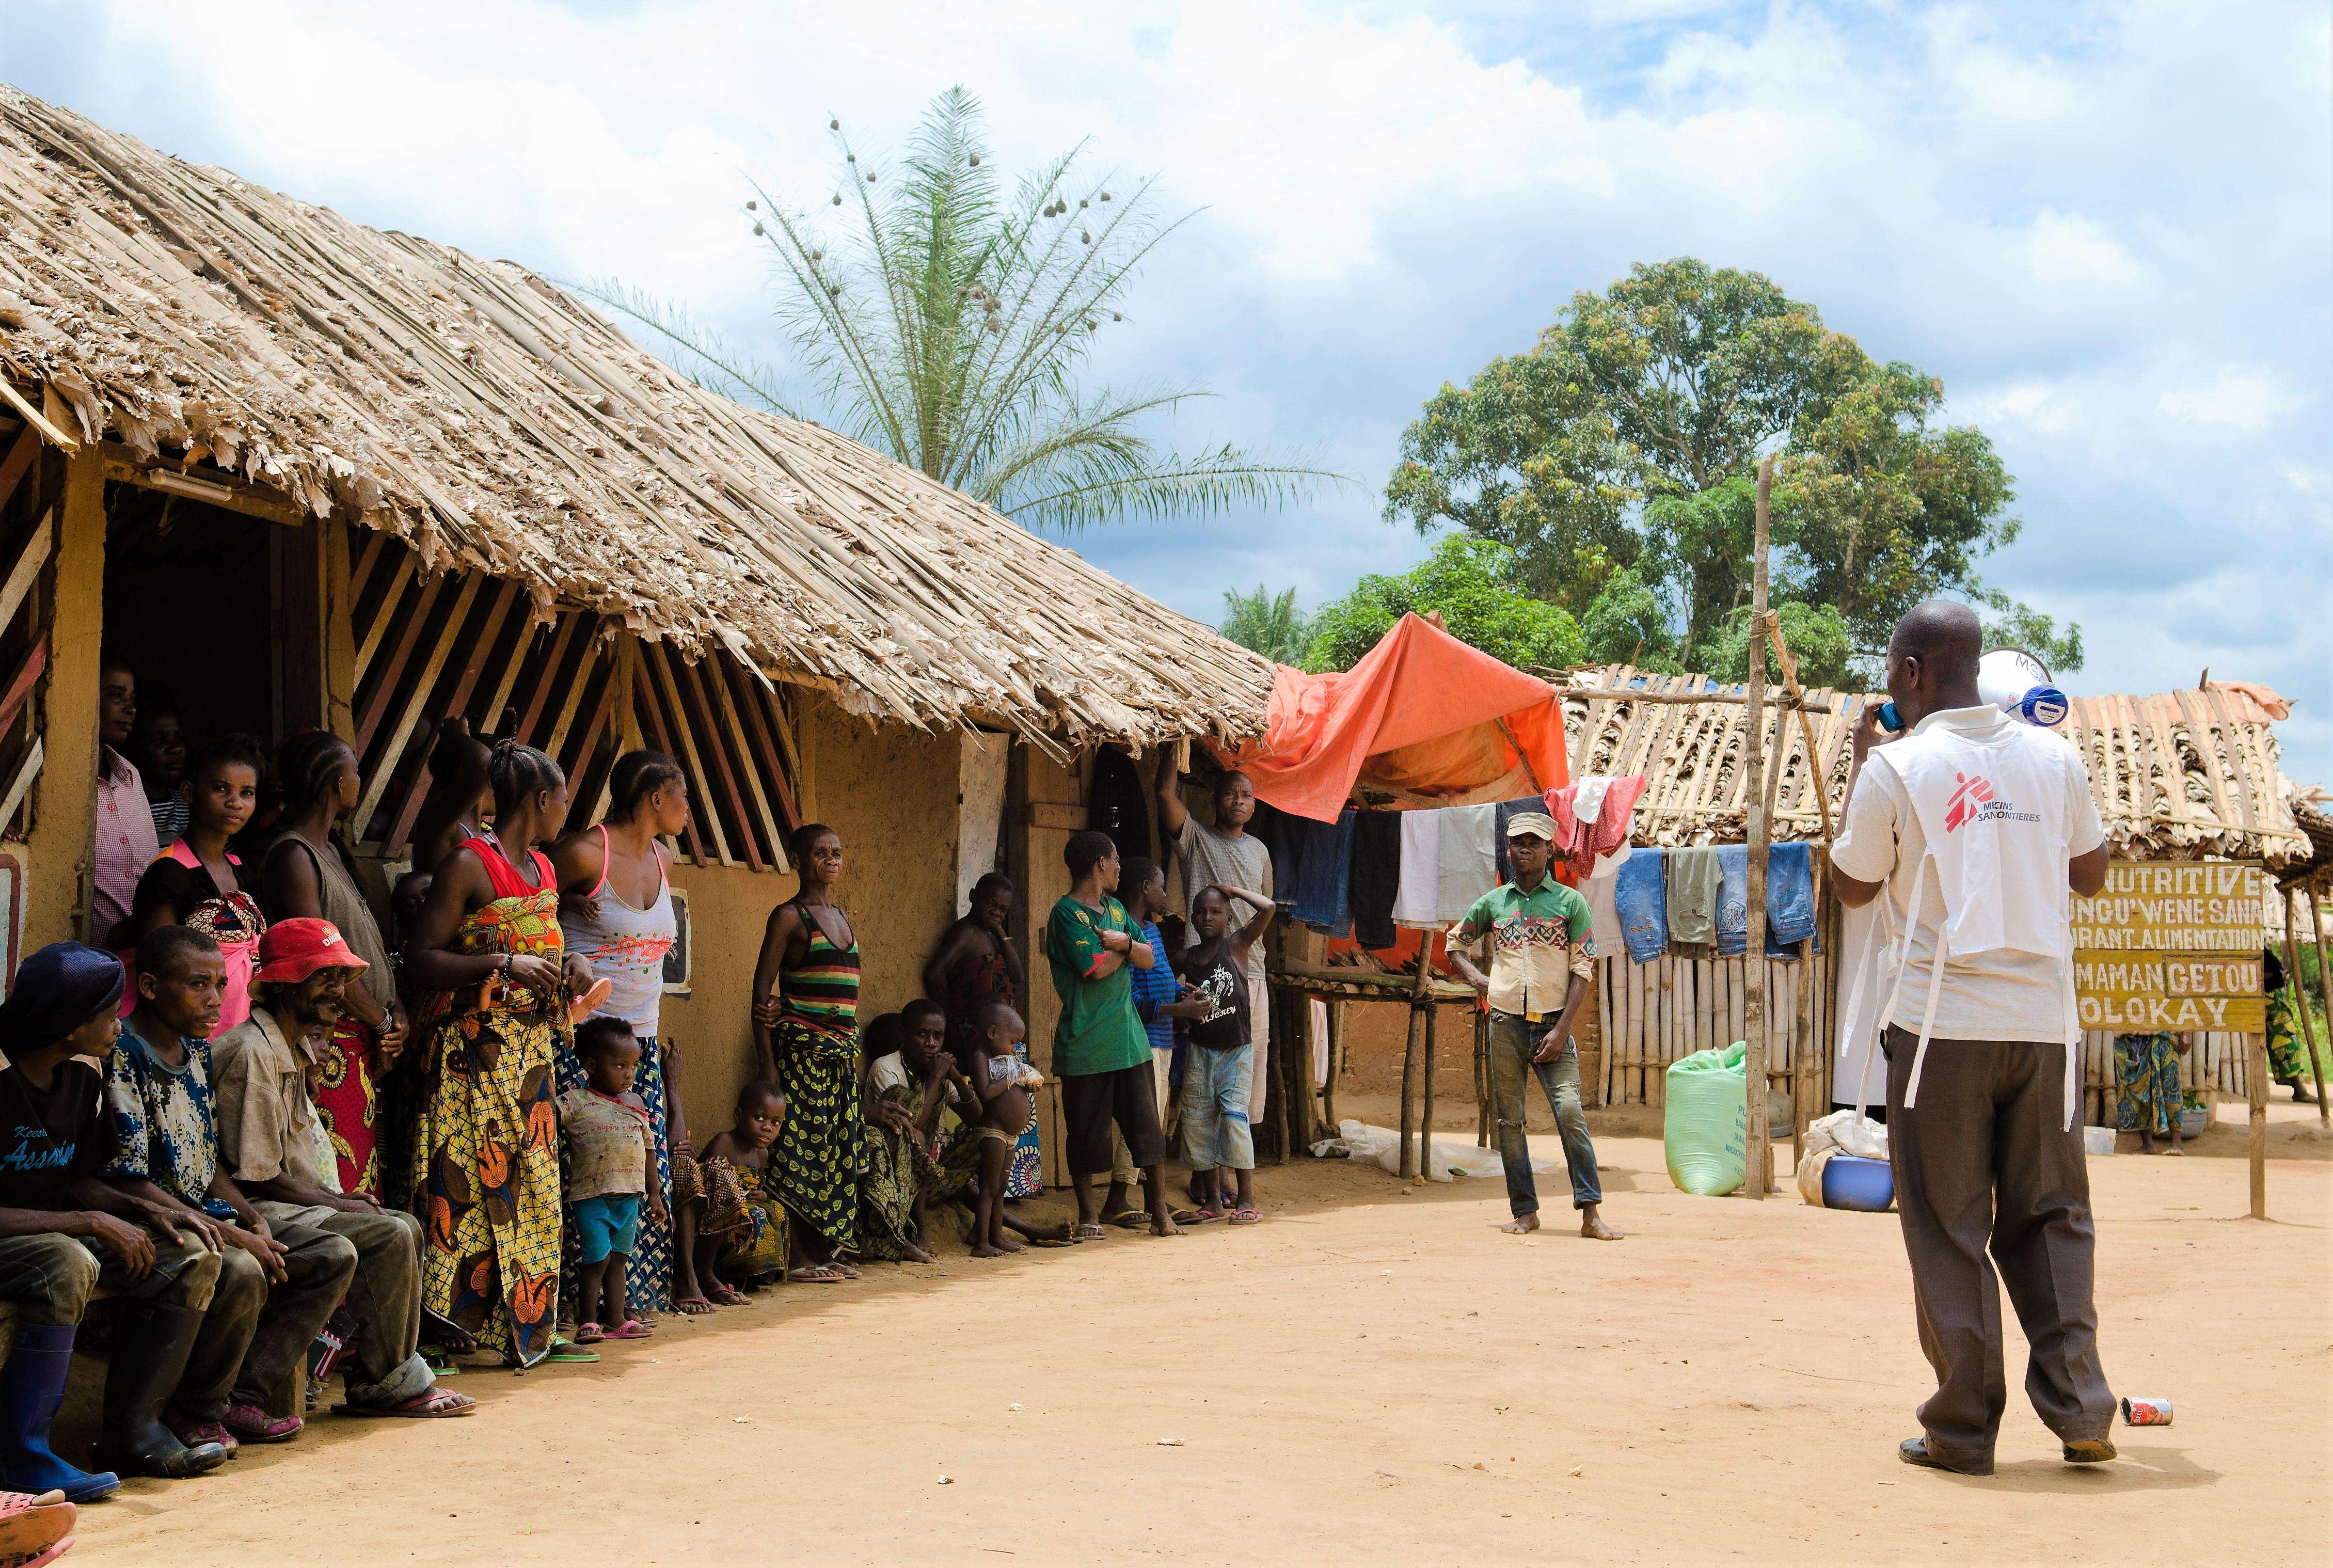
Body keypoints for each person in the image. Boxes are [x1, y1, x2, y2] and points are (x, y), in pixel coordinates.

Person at [1830, 599, 2117, 1477]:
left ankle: (1960, 1431)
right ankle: (2078, 1413)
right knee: (2051, 1218)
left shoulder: (1897, 767)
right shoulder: (2054, 756)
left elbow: (1850, 887)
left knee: (1946, 1226)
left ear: (1912, 672)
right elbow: (2091, 873)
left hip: (1939, 1030)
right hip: (2042, 1031)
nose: (1888, 687)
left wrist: (1861, 769)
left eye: (1889, 673)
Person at [102, 925, 355, 1452]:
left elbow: (208, 1156)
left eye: (220, 984)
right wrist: (230, 1232)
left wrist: (250, 1217)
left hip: (206, 1211)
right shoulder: (123, 1055)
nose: (216, 999)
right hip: (153, 1214)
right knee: (241, 1268)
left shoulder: (195, 1051)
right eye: (198, 984)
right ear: (149, 987)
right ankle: (196, 1411)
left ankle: (244, 1394)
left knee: (329, 1252)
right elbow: (130, 1178)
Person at [211, 918, 474, 1419]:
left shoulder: (287, 1044)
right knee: (391, 1233)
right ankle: (384, 1380)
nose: (339, 992)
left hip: (279, 1199)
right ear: (288, 983)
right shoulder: (253, 1051)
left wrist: (337, 1200)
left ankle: (384, 1373)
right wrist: (336, 1201)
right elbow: (253, 1174)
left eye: (340, 980)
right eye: (324, 979)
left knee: (398, 1226)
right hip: (251, 1208)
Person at [0, 941, 230, 1483]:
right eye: (107, 1017)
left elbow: (79, 1179)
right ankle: (23, 1451)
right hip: (30, 1241)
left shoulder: (80, 1078)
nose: (115, 1028)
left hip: (47, 1232)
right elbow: (76, 1215)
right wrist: (89, 1222)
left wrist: (140, 1211)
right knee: (66, 1260)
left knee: (189, 1255)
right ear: (68, 1024)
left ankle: (135, 1432)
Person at [400, 740, 591, 1368]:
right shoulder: (468, 865)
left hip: (530, 1056)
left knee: (534, 1185)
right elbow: (424, 958)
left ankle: (528, 1323)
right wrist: (502, 961)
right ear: (541, 800)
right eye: (563, 800)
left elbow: (546, 945)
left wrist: (572, 967)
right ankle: (444, 1332)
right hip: (469, 1053)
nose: (566, 811)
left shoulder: (544, 869)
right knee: (462, 1190)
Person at [552, 751, 689, 1317]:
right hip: (581, 1047)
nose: (687, 810)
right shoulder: (585, 853)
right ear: (656, 798)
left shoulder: (663, 859)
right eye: (681, 797)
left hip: (641, 1048)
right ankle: (563, 1304)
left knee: (636, 1178)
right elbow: (529, 903)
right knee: (580, 1176)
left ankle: (626, 1302)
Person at [1446, 813, 1621, 1244]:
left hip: (1551, 1024)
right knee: (1509, 1121)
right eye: (1517, 842)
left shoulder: (1569, 903)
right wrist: (1478, 979)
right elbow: (1455, 943)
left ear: (1549, 851)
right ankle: (1525, 1211)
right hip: (1504, 1020)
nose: (1524, 848)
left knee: (1569, 1113)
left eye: (1533, 842)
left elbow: (1583, 967)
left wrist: (1562, 1031)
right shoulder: (1493, 903)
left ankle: (1590, 1212)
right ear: (1508, 850)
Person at [262, 731, 412, 1198]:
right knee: (341, 1184)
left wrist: (395, 1016)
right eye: (355, 770)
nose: (360, 780)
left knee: (366, 1175)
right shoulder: (295, 855)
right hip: (330, 1045)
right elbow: (320, 964)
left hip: (362, 1044)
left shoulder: (332, 852)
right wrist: (383, 1020)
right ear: (335, 780)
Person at [1044, 831, 1177, 1241]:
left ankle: (1160, 1214)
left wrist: (1122, 943)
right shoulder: (1066, 914)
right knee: (1084, 1134)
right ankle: (1088, 1215)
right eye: (1116, 859)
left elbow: (1150, 957)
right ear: (1101, 863)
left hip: (1129, 1042)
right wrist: (1127, 948)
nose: (1120, 867)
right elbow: (1095, 968)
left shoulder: (1117, 908)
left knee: (1148, 1132)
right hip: (1086, 1044)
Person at [751, 824, 864, 1284]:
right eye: (820, 853)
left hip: (838, 1060)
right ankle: (796, 1258)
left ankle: (819, 1252)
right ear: (798, 861)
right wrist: (769, 1068)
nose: (831, 860)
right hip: (800, 1056)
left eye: (836, 851)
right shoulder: (789, 917)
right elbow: (761, 997)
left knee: (832, 1153)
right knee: (797, 1153)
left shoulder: (841, 916)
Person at [119, 734, 270, 1034]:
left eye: (247, 793)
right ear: (189, 792)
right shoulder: (169, 873)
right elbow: (160, 969)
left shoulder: (241, 870)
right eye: (220, 789)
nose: (235, 803)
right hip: (189, 1034)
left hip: (240, 1028)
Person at [1156, 753, 1274, 1134]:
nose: (1238, 800)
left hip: (1251, 971)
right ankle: (1206, 1171)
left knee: (1246, 1068)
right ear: (1213, 800)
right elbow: (1163, 794)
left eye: (1246, 795)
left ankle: (1228, 1163)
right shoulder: (1195, 838)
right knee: (1206, 1068)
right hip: (1207, 973)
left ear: (1254, 805)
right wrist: (1175, 749)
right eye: (1229, 793)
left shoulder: (1260, 851)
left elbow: (1266, 908)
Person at [923, 873, 1039, 1200]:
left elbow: (1017, 975)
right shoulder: (966, 934)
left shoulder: (995, 937)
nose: (996, 912)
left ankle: (1013, 1187)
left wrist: (1001, 932)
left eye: (1003, 909)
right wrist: (952, 1018)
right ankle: (989, 1190)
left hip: (1001, 1037)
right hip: (978, 1035)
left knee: (1017, 1096)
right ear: (974, 896)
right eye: (991, 904)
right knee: (994, 1106)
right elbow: (935, 972)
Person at [556, 1019, 666, 1342]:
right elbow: (544, 1117)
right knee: (597, 1259)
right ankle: (587, 1322)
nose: (629, 1074)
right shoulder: (574, 1102)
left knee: (619, 1259)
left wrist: (655, 1194)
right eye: (619, 1065)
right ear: (591, 1065)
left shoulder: (636, 1105)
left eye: (633, 1066)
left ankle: (616, 1319)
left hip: (629, 1197)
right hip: (593, 1197)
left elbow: (648, 1149)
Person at [1173, 884, 1277, 1224]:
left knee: (1234, 1119)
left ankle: (1246, 1200)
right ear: (1192, 917)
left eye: (1216, 911)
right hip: (1200, 1053)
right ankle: (1213, 1202)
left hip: (1236, 1051)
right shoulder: (1186, 958)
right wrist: (1181, 1008)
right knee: (1198, 1122)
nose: (1207, 916)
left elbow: (1268, 907)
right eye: (1201, 911)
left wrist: (1232, 890)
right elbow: (1161, 981)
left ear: (1228, 917)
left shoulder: (1237, 945)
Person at [858, 1004, 975, 1264]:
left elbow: (977, 1117)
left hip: (928, 1170)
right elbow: (910, 1123)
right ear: (903, 1034)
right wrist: (935, 1078)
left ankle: (992, 1228)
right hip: (887, 1165)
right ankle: (918, 1230)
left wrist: (954, 1076)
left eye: (938, 1036)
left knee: (987, 1136)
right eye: (922, 1034)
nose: (931, 1043)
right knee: (913, 1133)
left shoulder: (939, 1069)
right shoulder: (886, 1067)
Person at [1107, 858, 1186, 1225]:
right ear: (1144, 888)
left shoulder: (1150, 931)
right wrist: (1177, 1009)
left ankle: (1150, 1198)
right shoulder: (1128, 934)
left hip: (1164, 1038)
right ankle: (1118, 1197)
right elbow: (1134, 1001)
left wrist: (1183, 993)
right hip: (1146, 1039)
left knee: (1152, 1122)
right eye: (1161, 886)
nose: (1165, 893)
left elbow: (1163, 980)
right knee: (1145, 1123)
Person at [960, 1001, 1046, 1258]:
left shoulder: (1004, 1060)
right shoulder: (980, 1057)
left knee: (1001, 1187)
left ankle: (997, 1237)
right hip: (993, 1132)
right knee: (988, 1187)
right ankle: (981, 1242)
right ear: (992, 1033)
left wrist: (1026, 1084)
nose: (1015, 1048)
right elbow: (986, 1093)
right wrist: (1012, 1077)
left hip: (1010, 1135)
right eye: (1013, 1042)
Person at [691, 1082, 788, 1300]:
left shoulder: (762, 1154)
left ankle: (746, 1277)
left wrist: (762, 1196)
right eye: (760, 1118)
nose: (768, 1128)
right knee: (753, 1216)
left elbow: (758, 1187)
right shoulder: (725, 1143)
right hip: (713, 1218)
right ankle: (707, 1271)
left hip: (743, 1208)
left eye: (776, 1122)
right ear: (738, 1116)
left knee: (777, 1211)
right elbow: (708, 1184)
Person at [91, 654, 161, 944]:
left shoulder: (130, 775)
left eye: (132, 699)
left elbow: (149, 866)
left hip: (136, 956)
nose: (131, 709)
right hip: (86, 957)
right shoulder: (60, 775)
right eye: (116, 696)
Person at [409, 718, 493, 880]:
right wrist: (459, 737)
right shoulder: (441, 819)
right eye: (501, 772)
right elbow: (483, 763)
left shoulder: (482, 830)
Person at [126, 687, 190, 845]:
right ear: (134, 746)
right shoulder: (124, 809)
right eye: (159, 739)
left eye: (179, 736)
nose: (177, 748)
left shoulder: (189, 804)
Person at [2113, 1032, 2189, 1154]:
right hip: (2130, 1037)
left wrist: (2187, 1031)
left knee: (2170, 1087)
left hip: (2163, 1035)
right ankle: (2147, 1144)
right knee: (2137, 1091)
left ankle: (2177, 1143)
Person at [2262, 948, 2315, 1103]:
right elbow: (2254, 974)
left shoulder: (2257, 942)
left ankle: (2299, 1089)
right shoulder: (2248, 943)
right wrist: (2278, 976)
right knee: (2285, 1044)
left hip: (2274, 998)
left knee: (2289, 1043)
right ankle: (2299, 1090)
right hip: (2269, 999)